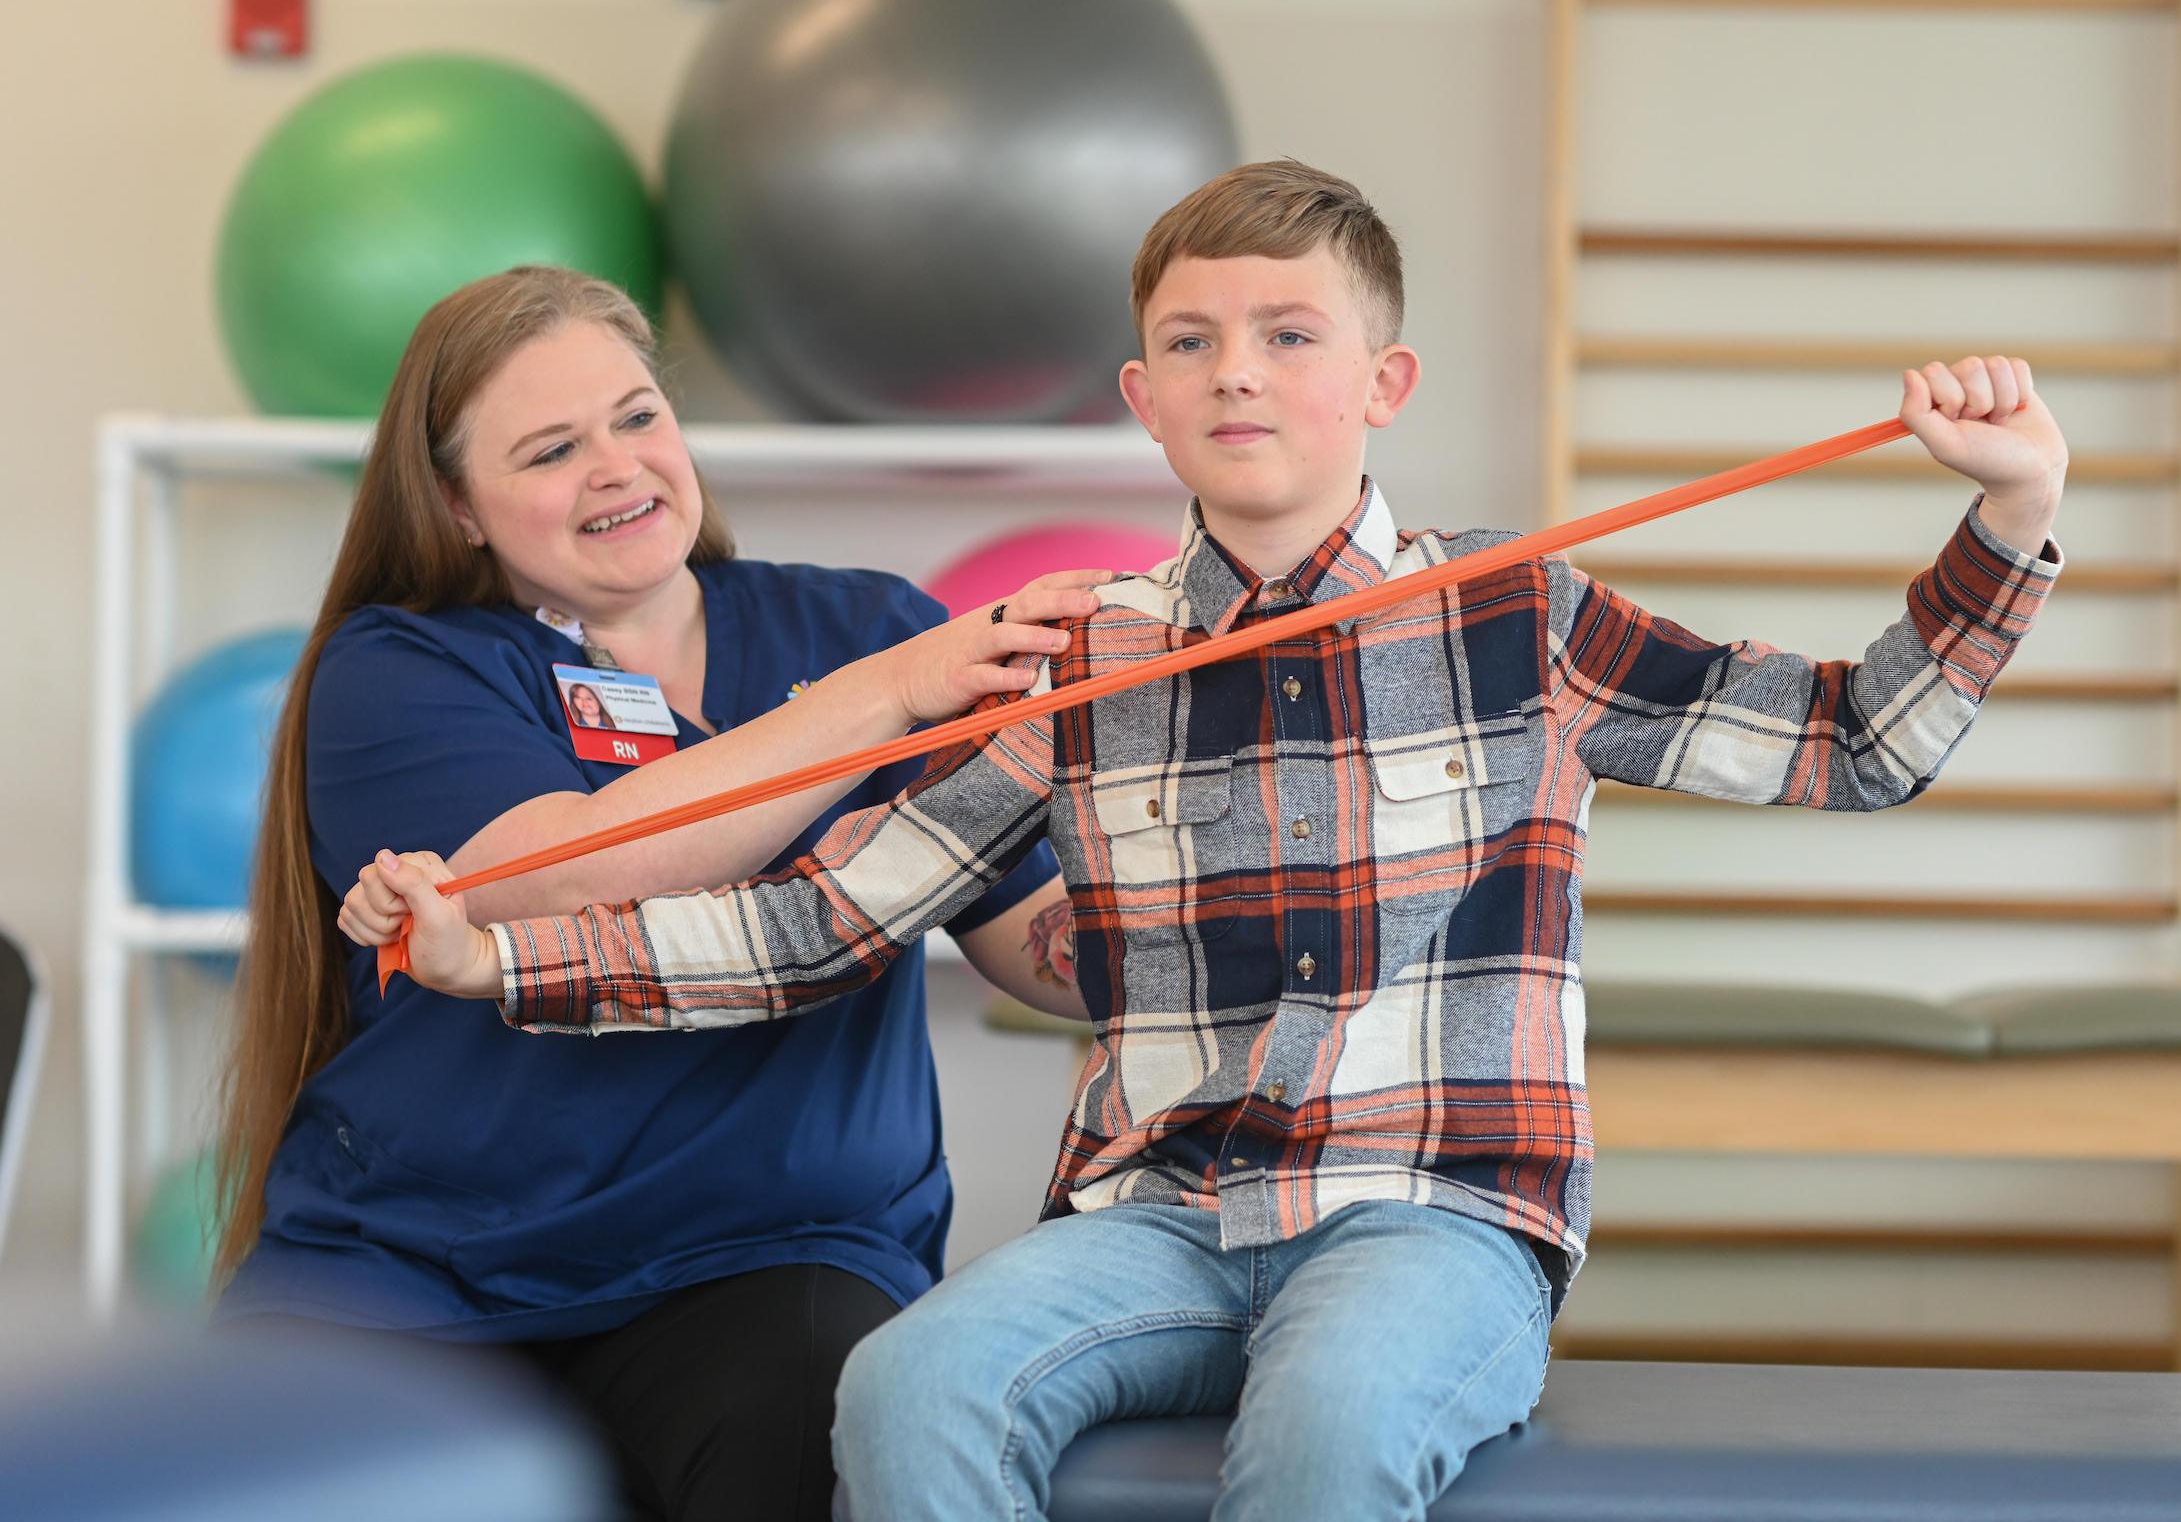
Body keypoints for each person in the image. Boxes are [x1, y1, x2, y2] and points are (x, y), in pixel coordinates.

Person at [347, 164, 2068, 1522]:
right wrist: (498, 952)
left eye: (1289, 333)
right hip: (1161, 1214)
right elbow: (820, 921)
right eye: (1191, 341)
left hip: (1436, 1211)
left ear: (1382, 381)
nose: (1236, 368)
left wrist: (2009, 513)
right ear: (1141, 402)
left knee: (1330, 1424)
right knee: (905, 1388)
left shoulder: (1522, 615)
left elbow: (1864, 743)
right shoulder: (1077, 653)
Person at [213, 265, 1100, 1522]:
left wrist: (1230, 900)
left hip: (769, 1260)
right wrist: (884, 697)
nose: (618, 466)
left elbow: (1047, 950)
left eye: (637, 416)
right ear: (458, 504)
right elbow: (560, 873)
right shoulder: (397, 668)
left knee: (807, 1413)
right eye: (551, 448)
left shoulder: (862, 627)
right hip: (423, 1267)